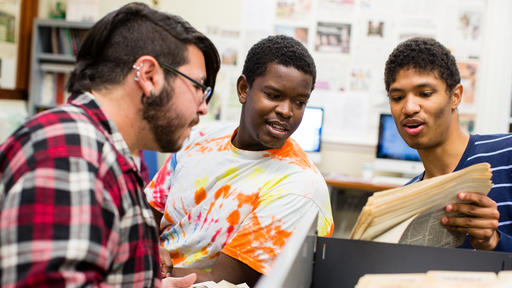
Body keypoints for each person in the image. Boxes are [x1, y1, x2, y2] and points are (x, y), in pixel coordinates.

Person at [0, 2, 220, 287]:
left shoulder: (103, 151)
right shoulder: (75, 154)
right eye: (198, 87)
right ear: (149, 76)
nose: (203, 108)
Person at [145, 35, 334, 286]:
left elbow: (221, 282)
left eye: (299, 102)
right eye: (274, 95)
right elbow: (145, 214)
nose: (287, 111)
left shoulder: (299, 186)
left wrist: (139, 261)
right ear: (244, 89)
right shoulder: (200, 138)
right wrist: (149, 246)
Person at [384, 37, 511, 252]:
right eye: (397, 97)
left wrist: (495, 241)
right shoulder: (404, 201)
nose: (409, 108)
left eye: (425, 94)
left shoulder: (507, 156)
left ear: (455, 96)